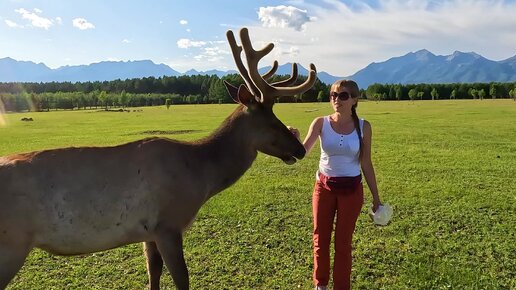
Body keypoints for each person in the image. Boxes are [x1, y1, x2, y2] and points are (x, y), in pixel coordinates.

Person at [289, 79, 382, 290]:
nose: (336, 100)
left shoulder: (363, 127)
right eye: (333, 95)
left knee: (343, 244)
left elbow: (366, 163)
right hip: (323, 188)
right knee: (320, 238)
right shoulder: (320, 123)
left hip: (352, 192)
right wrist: (293, 139)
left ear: (354, 100)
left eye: (343, 95)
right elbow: (301, 153)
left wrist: (376, 198)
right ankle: (320, 285)